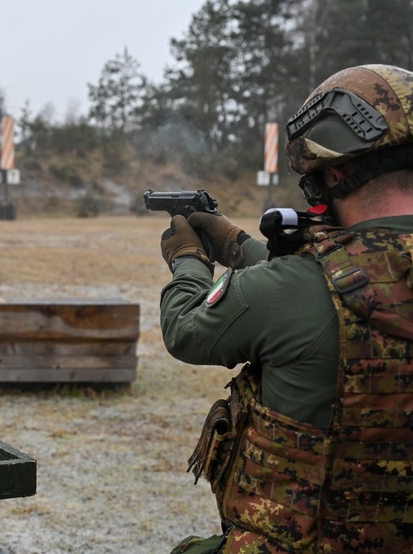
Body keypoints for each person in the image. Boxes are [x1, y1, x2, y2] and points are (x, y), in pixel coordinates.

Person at [158, 63, 413, 553]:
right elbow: (330, 272)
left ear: (334, 174)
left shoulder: (297, 285)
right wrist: (236, 244)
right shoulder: (305, 279)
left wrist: (187, 260)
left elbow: (185, 330)